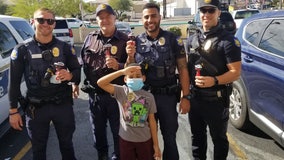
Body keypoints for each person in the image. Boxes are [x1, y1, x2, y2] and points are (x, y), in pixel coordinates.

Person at [8, 8, 81, 160]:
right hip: (36, 109)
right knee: (38, 149)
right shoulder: (22, 50)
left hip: (62, 106)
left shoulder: (65, 47)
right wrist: (13, 111)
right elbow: (14, 83)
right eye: (41, 20)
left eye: (50, 21)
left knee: (67, 145)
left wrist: (70, 75)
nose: (45, 24)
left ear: (54, 24)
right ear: (33, 22)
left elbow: (77, 70)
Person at [125, 3, 190, 160]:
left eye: (153, 16)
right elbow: (128, 71)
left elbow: (182, 69)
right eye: (146, 17)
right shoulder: (136, 42)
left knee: (169, 139)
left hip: (166, 98)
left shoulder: (173, 39)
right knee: (142, 138)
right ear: (142, 20)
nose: (150, 20)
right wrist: (130, 56)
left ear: (160, 17)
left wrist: (185, 96)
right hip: (141, 98)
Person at [187, 0, 241, 159]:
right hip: (195, 100)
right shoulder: (192, 39)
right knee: (197, 139)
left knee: (219, 140)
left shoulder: (228, 40)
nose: (207, 14)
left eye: (211, 11)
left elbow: (235, 72)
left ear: (218, 12)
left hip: (216, 101)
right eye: (203, 10)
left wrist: (215, 80)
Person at [80, 4, 128, 160]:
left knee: (118, 133)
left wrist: (119, 66)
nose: (105, 20)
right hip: (95, 97)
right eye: (101, 17)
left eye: (108, 16)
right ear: (97, 20)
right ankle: (102, 156)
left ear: (115, 18)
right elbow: (83, 64)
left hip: (116, 95)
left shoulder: (124, 40)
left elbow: (134, 68)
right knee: (98, 133)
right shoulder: (90, 39)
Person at [97, 63, 161, 160]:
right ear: (125, 79)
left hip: (144, 140)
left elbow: (152, 121)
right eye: (131, 76)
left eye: (138, 76)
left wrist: (156, 145)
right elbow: (100, 83)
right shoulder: (121, 91)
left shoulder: (149, 97)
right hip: (126, 140)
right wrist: (122, 71)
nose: (134, 78)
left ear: (143, 78)